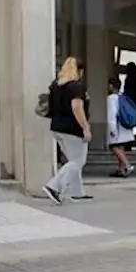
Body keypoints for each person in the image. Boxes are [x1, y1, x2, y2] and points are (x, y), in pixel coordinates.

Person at [43, 57, 90, 204]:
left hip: (57, 127)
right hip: (72, 129)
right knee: (78, 161)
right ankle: (54, 186)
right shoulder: (76, 87)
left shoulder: (55, 86)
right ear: (79, 71)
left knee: (73, 161)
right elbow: (77, 108)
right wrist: (85, 128)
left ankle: (78, 193)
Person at [105, 76, 135, 177]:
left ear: (110, 86)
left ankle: (127, 165)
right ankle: (120, 169)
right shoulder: (122, 96)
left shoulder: (111, 98)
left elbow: (111, 114)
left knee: (113, 147)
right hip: (124, 126)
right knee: (120, 147)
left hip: (117, 126)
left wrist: (112, 129)